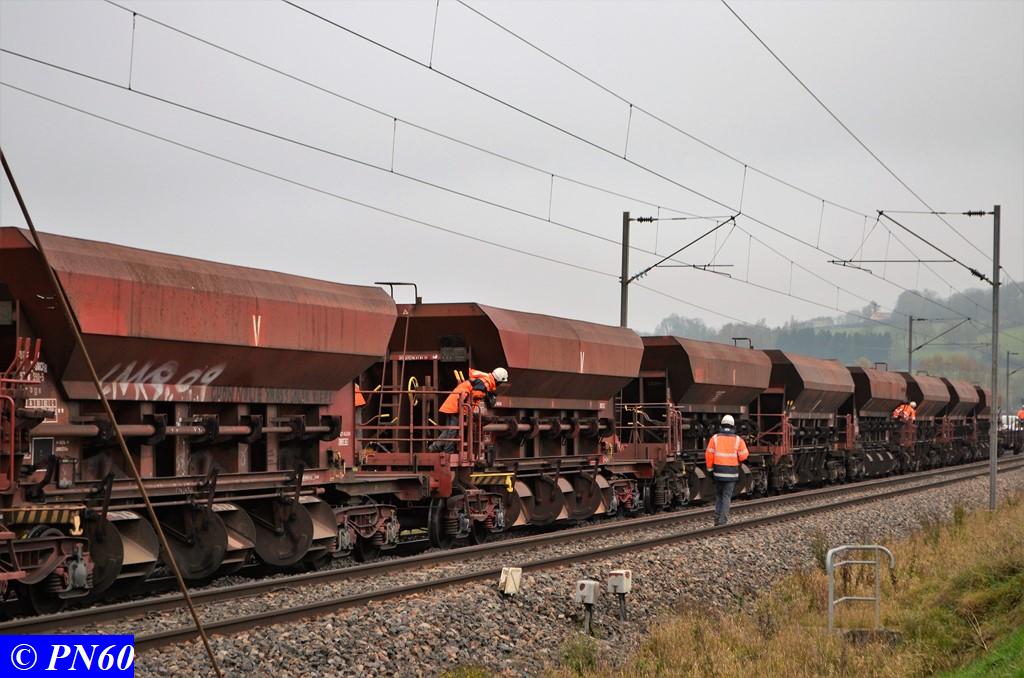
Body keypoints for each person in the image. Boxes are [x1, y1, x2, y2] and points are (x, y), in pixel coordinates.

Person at [429, 367, 508, 451]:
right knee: (453, 430)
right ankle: (448, 450)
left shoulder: (485, 380)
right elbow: (472, 397)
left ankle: (433, 447)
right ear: (498, 380)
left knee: (450, 430)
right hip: (458, 405)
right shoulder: (485, 384)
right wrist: (466, 413)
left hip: (456, 402)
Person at [705, 414, 749, 526]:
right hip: (732, 473)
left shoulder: (714, 438)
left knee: (719, 496)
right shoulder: (738, 440)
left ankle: (716, 519)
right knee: (726, 497)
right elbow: (744, 456)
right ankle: (723, 521)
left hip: (718, 473)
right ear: (733, 426)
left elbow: (709, 455)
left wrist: (710, 470)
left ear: (721, 425)